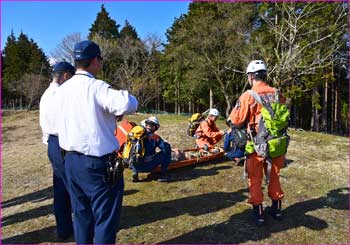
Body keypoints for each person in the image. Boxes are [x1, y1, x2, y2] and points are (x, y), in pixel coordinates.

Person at [53, 40, 138, 244]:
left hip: (71, 161)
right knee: (105, 218)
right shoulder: (96, 86)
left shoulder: (62, 89)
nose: (100, 63)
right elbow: (127, 102)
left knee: (81, 216)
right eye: (100, 58)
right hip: (97, 163)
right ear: (93, 60)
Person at [229, 60, 285, 226]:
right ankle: (277, 210)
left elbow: (235, 120)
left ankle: (259, 214)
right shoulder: (277, 93)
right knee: (275, 176)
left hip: (256, 145)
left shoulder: (249, 95)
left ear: (252, 76)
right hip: (277, 144)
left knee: (255, 179)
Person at [39, 61, 75, 241]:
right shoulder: (61, 94)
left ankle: (64, 228)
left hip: (52, 144)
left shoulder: (46, 94)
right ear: (67, 76)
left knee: (60, 189)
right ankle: (83, 226)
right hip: (63, 143)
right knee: (74, 187)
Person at [131, 116, 172, 182]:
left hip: (134, 165)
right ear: (155, 127)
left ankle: (135, 172)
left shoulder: (135, 135)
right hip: (147, 166)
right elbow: (164, 148)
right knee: (167, 148)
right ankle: (163, 175)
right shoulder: (155, 137)